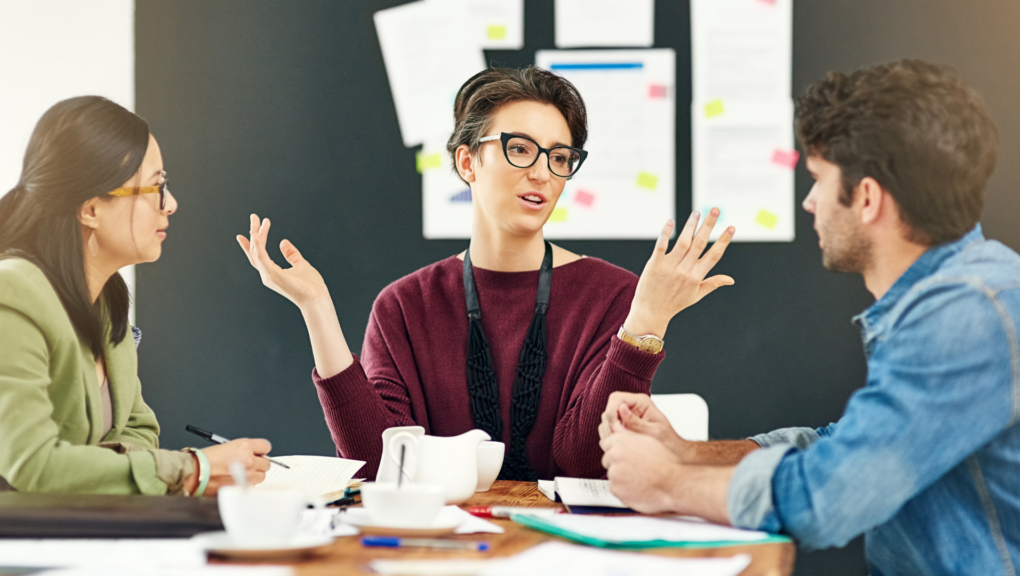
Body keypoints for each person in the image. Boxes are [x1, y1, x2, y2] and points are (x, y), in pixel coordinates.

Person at [599, 59, 1020, 575]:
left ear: (867, 197)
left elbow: (830, 494)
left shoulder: (967, 312)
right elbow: (842, 447)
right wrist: (685, 453)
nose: (809, 201)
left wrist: (667, 483)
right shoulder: (956, 295)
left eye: (819, 180)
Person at [238, 66, 736, 480]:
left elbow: (584, 463)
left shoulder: (615, 296)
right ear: (468, 161)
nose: (542, 172)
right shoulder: (404, 307)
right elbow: (380, 466)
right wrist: (317, 311)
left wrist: (646, 321)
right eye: (520, 148)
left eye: (559, 158)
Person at [0, 96, 273, 495]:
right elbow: (34, 465)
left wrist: (113, 467)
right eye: (157, 187)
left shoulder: (108, 306)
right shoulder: (13, 295)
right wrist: (191, 469)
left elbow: (140, 430)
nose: (172, 204)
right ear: (91, 208)